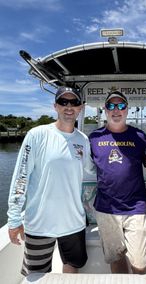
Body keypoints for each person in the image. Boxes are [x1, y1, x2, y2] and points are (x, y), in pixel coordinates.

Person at [7, 86, 95, 276]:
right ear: (55, 106)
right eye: (63, 102)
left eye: (74, 102)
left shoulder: (84, 140)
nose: (69, 106)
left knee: (72, 269)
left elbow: (91, 171)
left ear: (81, 107)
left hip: (74, 222)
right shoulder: (36, 135)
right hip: (39, 223)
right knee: (36, 275)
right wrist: (14, 218)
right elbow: (21, 177)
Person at [89, 91, 146, 274]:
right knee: (116, 259)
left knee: (139, 262)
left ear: (127, 109)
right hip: (106, 208)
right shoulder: (93, 138)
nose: (117, 110)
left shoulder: (140, 137)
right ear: (105, 110)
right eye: (112, 106)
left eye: (121, 106)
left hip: (135, 207)